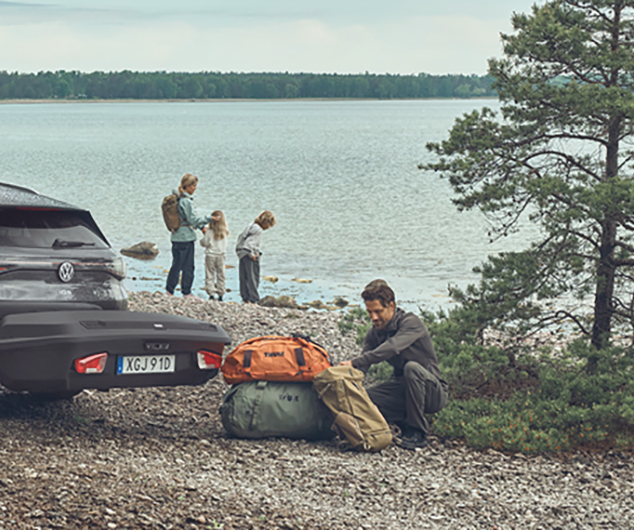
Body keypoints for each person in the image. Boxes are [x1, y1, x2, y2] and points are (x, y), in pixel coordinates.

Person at [340, 280, 448, 450]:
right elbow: (362, 369)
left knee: (411, 369)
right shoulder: (373, 333)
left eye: (378, 311)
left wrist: (355, 361)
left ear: (391, 305)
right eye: (369, 312)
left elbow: (391, 348)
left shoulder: (411, 323)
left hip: (432, 393)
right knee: (365, 398)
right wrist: (343, 380)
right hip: (403, 389)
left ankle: (418, 433)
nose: (373, 317)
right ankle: (401, 425)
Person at [165, 173, 213, 299]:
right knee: (188, 267)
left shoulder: (179, 198)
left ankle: (169, 291)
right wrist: (209, 219)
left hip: (176, 237)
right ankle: (186, 292)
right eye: (194, 185)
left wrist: (201, 227)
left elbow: (186, 220)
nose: (195, 188)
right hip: (185, 239)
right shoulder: (186, 201)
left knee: (176, 265)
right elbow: (192, 220)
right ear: (187, 186)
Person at [235, 210, 276, 304]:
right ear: (266, 222)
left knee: (243, 277)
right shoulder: (258, 230)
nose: (268, 228)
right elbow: (249, 244)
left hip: (241, 253)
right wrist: (252, 255)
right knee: (253, 277)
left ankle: (245, 298)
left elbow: (241, 238)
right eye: (269, 225)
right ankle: (254, 299)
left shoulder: (251, 225)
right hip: (249, 254)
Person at [200, 210, 229, 301]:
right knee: (221, 275)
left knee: (210, 274)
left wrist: (203, 236)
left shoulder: (209, 231)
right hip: (221, 255)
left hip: (210, 255)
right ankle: (221, 293)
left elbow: (204, 243)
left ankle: (211, 293)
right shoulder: (225, 232)